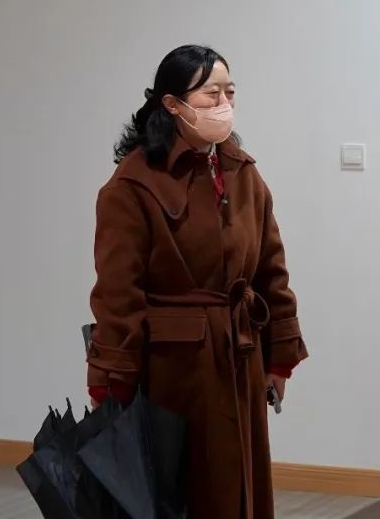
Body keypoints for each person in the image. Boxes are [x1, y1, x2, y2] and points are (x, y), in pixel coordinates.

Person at [86, 45, 308, 519]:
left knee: (241, 489)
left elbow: (271, 270)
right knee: (186, 493)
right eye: (211, 93)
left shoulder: (243, 172)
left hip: (240, 359)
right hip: (174, 371)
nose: (224, 103)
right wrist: (111, 383)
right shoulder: (133, 184)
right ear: (172, 103)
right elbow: (117, 296)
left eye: (230, 92)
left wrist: (280, 356)